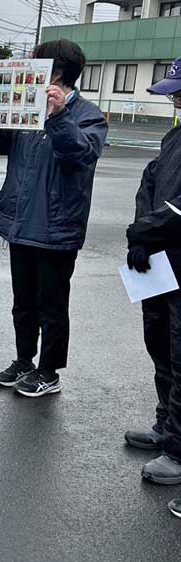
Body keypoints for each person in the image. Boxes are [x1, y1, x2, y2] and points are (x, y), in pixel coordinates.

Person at [0, 39, 108, 396]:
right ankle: (24, 360)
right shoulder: (27, 107)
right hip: (20, 221)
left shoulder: (87, 115)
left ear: (57, 71)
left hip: (57, 226)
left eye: (36, 63)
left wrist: (58, 117)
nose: (28, 68)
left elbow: (80, 154)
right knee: (23, 301)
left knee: (52, 304)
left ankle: (49, 371)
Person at [122, 58, 181, 487]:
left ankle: (178, 451)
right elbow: (150, 185)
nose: (175, 98)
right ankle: (165, 426)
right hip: (160, 264)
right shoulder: (173, 137)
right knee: (159, 345)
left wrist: (148, 228)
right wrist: (142, 234)